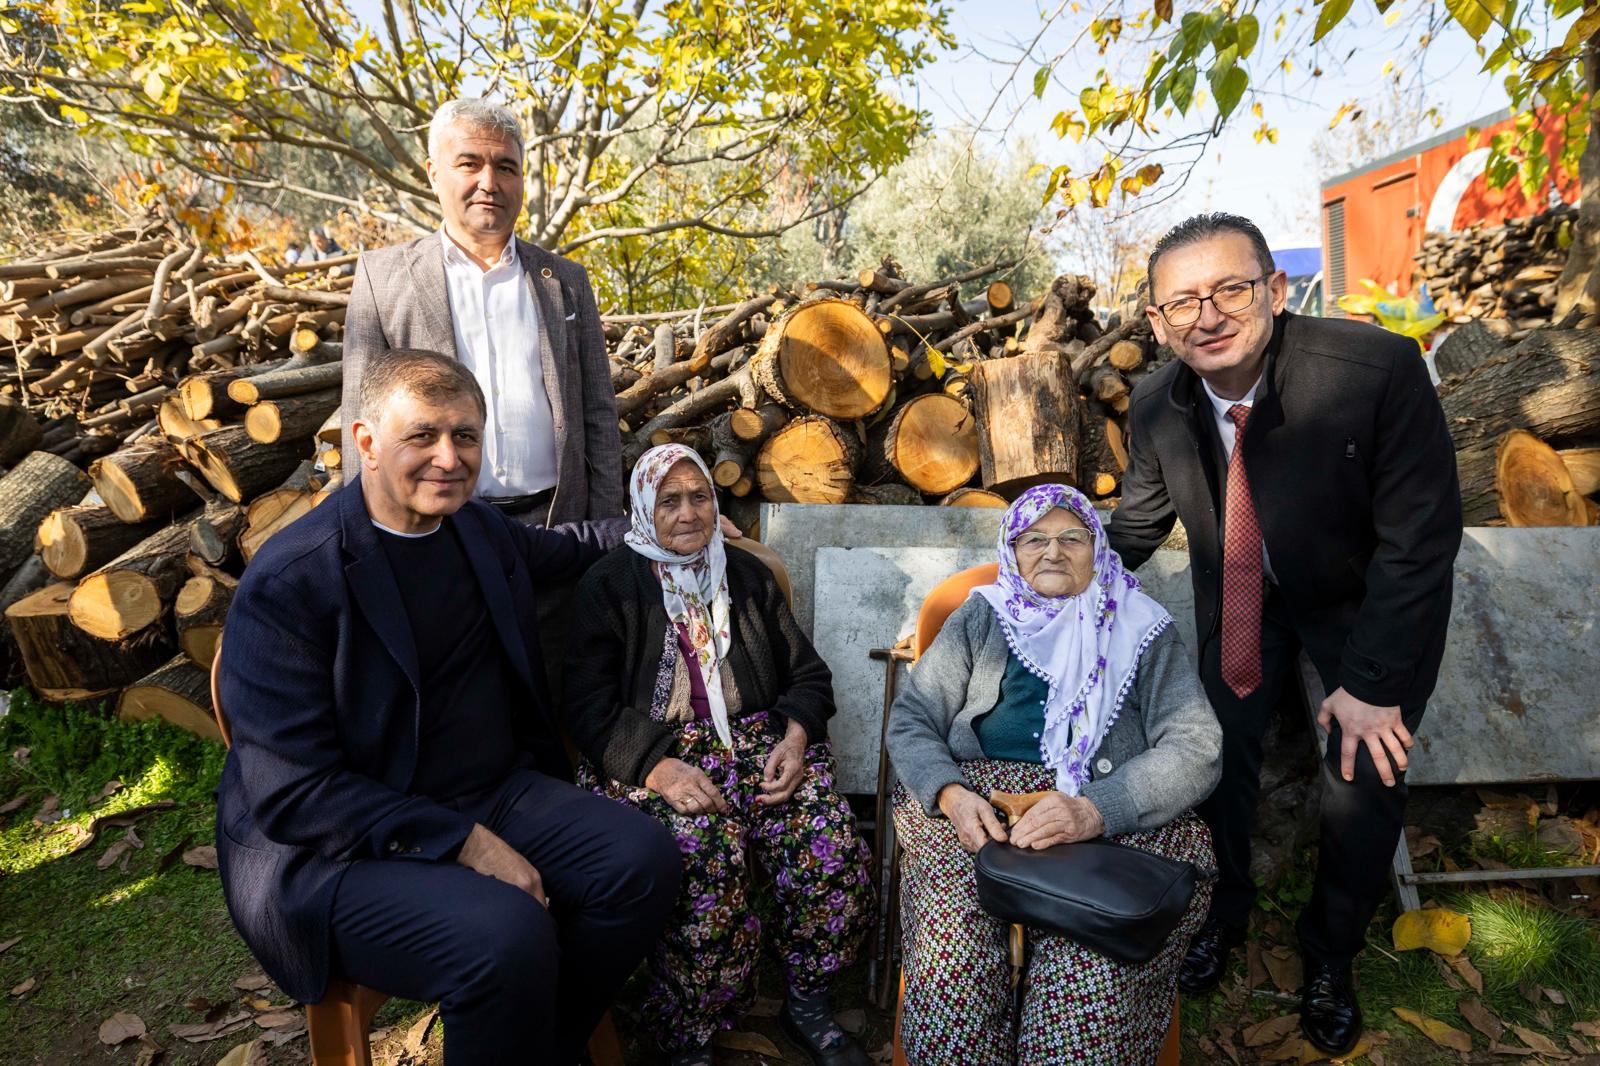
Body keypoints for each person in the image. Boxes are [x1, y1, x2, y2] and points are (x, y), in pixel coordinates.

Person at [214, 349, 681, 1064]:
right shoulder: (293, 582)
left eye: (465, 435)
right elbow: (294, 794)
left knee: (642, 862)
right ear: (366, 442)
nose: (449, 457)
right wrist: (463, 841)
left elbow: (565, 548)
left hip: (486, 789)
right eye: (422, 435)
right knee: (505, 935)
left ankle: (545, 1045)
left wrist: (665, 531)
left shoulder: (474, 529)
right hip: (336, 849)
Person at [1107, 213, 1462, 1055]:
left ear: (1273, 290)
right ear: (1156, 321)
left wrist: (1372, 685)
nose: (1208, 316)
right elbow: (1137, 525)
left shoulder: (1375, 370)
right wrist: (1037, 590)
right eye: (1182, 302)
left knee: (1362, 777)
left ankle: (1331, 955)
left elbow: (1420, 540)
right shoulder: (1157, 402)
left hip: (1365, 601)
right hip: (1243, 595)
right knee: (1213, 752)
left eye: (1229, 289)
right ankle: (1221, 912)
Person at [886, 485, 1222, 1066]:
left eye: (1072, 537)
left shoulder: (1143, 626)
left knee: (1091, 977)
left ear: (1098, 548)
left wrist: (1095, 809)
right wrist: (951, 793)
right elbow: (913, 719)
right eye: (1034, 539)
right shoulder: (982, 615)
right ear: (1011, 550)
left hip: (1106, 813)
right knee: (954, 959)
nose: (1053, 551)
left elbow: (1197, 745)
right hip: (981, 807)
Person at [565, 444, 875, 1066]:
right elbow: (587, 707)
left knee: (830, 844)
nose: (688, 513)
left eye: (700, 496)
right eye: (669, 501)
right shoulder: (609, 586)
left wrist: (796, 739)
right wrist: (656, 767)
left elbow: (808, 675)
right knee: (701, 859)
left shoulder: (746, 575)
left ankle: (806, 1002)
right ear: (642, 508)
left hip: (760, 745)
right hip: (658, 754)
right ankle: (692, 1029)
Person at [342, 98, 621, 527]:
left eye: (505, 167)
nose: (489, 183)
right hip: (436, 528)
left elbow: (598, 414)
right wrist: (367, 534)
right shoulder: (383, 279)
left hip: (557, 526)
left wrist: (606, 525)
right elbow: (360, 421)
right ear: (434, 173)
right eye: (469, 164)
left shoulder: (566, 281)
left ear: (521, 180)